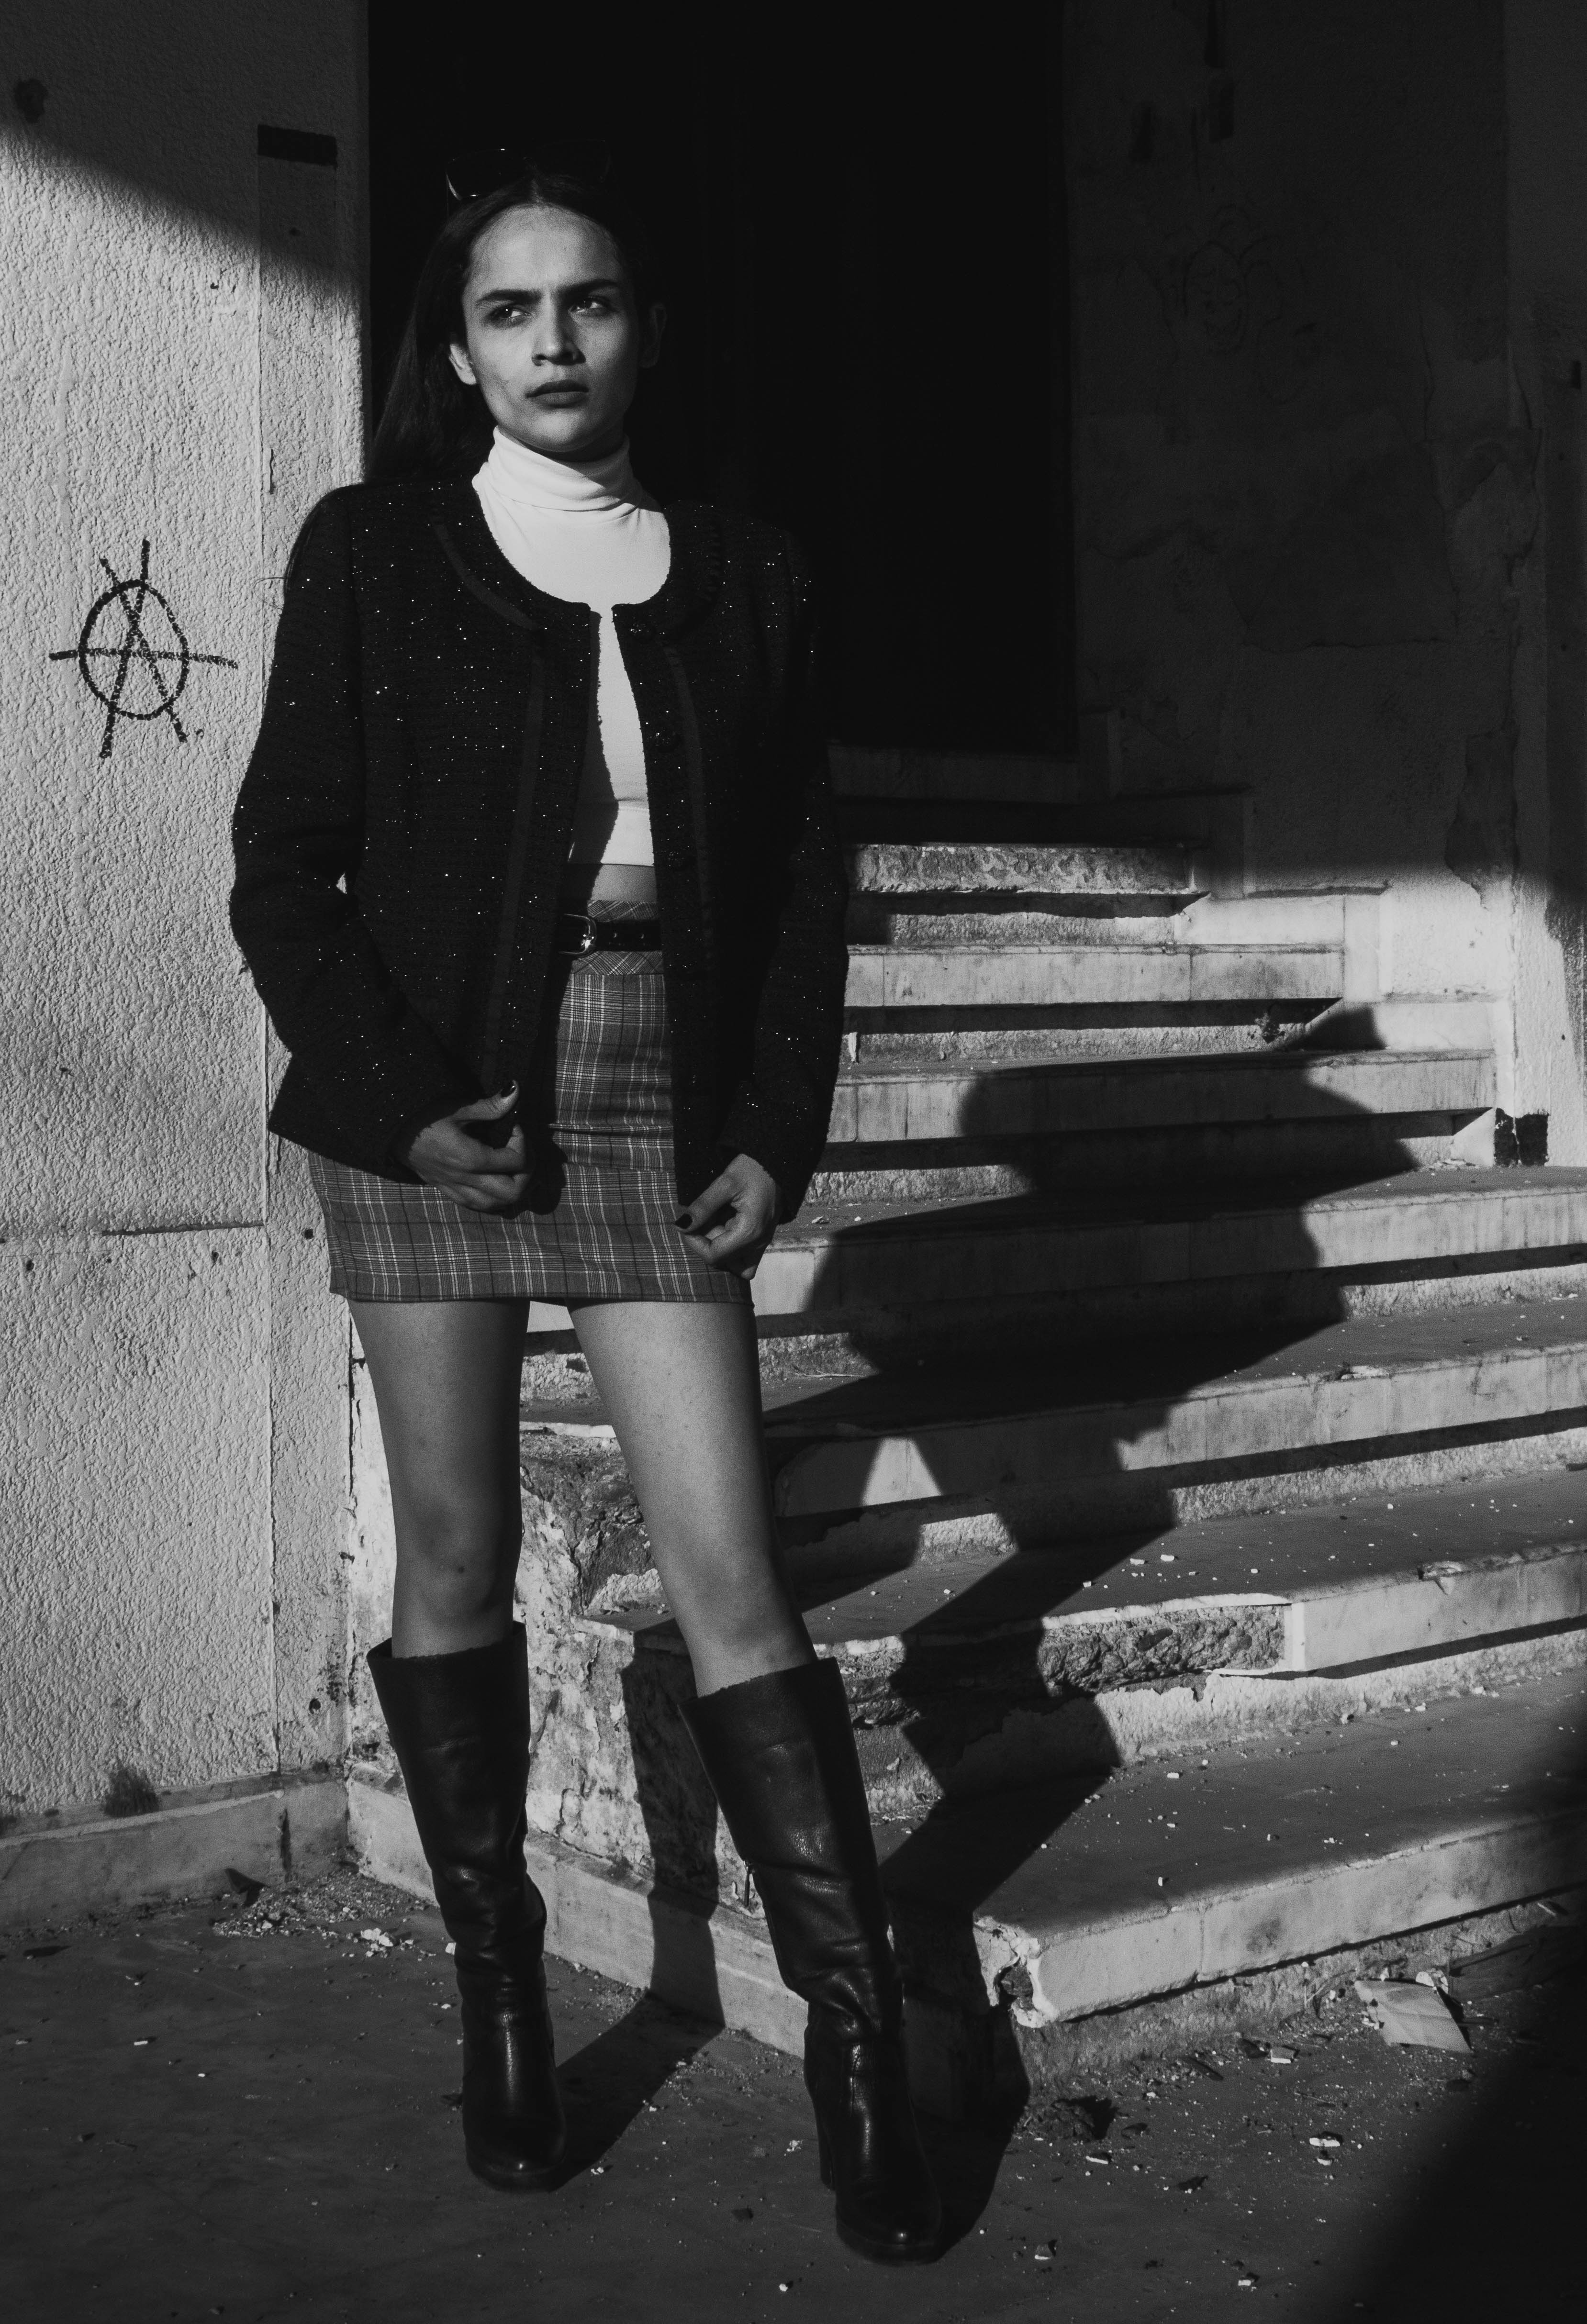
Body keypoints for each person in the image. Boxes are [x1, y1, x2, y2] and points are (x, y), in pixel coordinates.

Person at [229, 162, 940, 2266]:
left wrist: (774, 1124)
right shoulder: (376, 551)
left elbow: (799, 880)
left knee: (734, 1573)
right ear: (457, 353)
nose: (553, 340)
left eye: (592, 303)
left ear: (644, 332)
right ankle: (505, 1997)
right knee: (453, 1552)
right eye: (510, 310)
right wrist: (396, 1104)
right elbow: (284, 865)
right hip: (437, 1088)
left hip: (655, 1083)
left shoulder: (749, 573)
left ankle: (858, 2051)